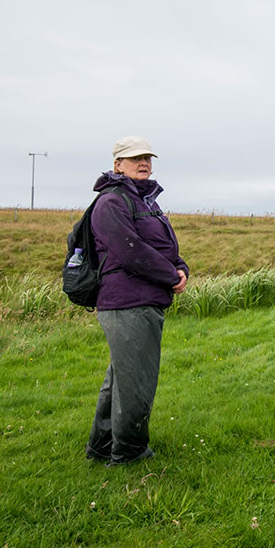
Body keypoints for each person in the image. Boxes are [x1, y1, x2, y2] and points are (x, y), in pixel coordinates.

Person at [84, 136, 189, 466]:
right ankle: (129, 455)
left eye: (147, 158)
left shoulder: (146, 201)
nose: (143, 163)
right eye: (134, 159)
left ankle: (101, 448)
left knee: (121, 379)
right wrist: (171, 276)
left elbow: (161, 244)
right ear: (117, 165)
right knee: (136, 385)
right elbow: (131, 251)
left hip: (143, 300)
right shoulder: (111, 202)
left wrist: (180, 265)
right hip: (127, 302)